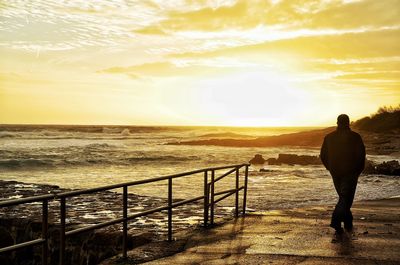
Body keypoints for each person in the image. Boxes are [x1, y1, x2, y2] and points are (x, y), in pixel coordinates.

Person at [320, 114, 365, 235]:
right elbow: (361, 155)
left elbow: (323, 156)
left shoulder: (329, 137)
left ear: (337, 123)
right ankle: (336, 221)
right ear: (349, 123)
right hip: (351, 172)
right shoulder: (355, 137)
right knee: (346, 198)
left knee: (344, 197)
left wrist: (330, 168)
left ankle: (348, 221)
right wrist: (358, 170)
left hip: (336, 172)